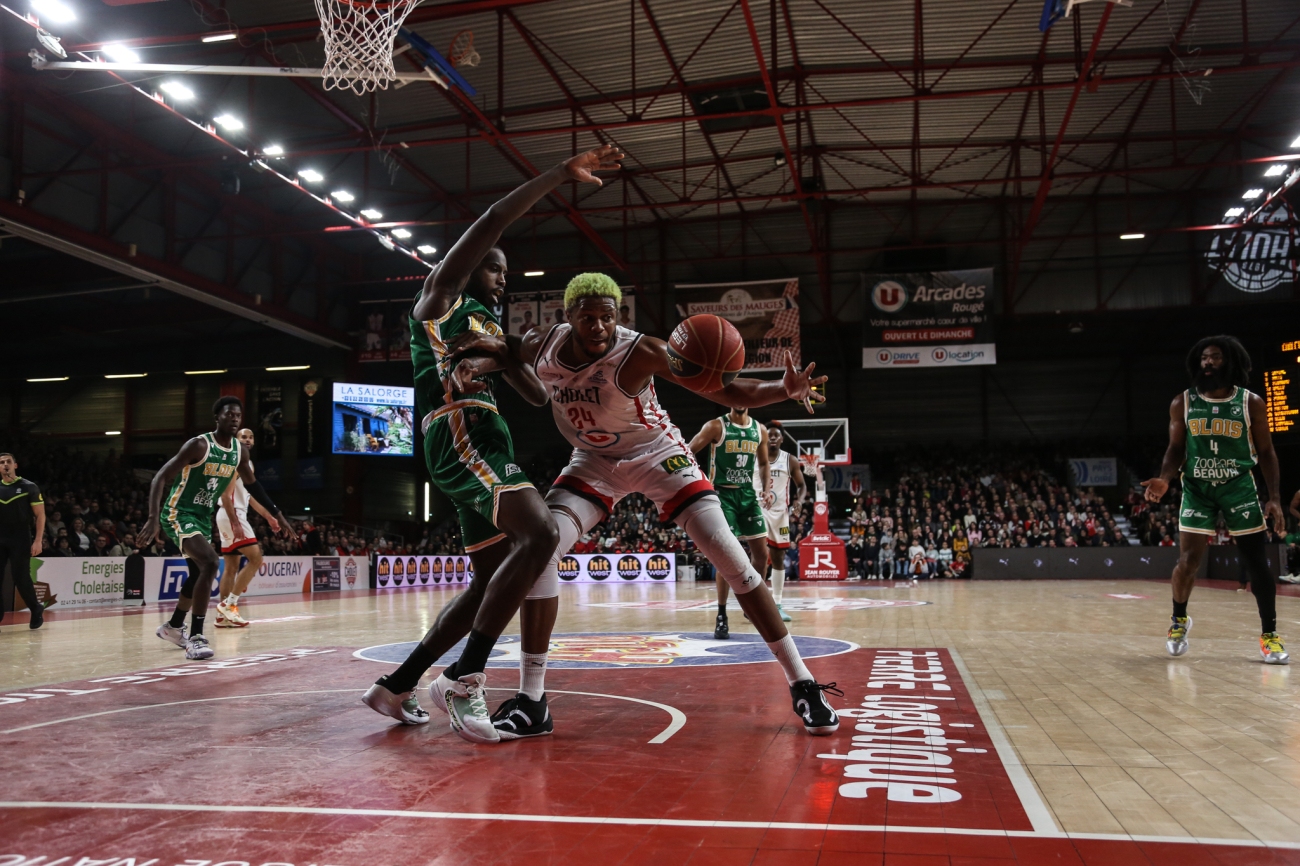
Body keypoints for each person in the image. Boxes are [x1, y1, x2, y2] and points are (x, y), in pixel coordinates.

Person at [447, 272, 841, 740]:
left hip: (657, 454)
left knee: (731, 558)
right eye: (588, 318)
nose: (598, 327)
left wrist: (783, 389)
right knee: (542, 549)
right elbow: (509, 348)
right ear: (567, 317)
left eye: (607, 318)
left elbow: (727, 390)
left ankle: (803, 683)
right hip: (592, 460)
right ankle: (533, 701)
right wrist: (475, 351)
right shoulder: (542, 342)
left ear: (619, 318)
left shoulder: (643, 351)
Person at [361, 145, 623, 743]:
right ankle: (466, 677)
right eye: (495, 268)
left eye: (504, 273)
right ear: (468, 266)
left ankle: (396, 684)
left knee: (487, 580)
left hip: (483, 434)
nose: (502, 277)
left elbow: (534, 397)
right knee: (542, 534)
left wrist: (509, 357)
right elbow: (491, 222)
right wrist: (557, 174)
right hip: (460, 430)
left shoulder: (488, 324)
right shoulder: (440, 300)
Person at [1142, 335, 1288, 664]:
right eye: (1204, 358)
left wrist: (1275, 497)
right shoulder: (1184, 402)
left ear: (1231, 362)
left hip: (1238, 485)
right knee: (1187, 563)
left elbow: (1266, 452)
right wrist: (1165, 479)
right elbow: (1176, 448)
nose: (1208, 363)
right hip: (1197, 487)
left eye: (1216, 358)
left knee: (1257, 565)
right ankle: (1178, 621)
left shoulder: (1250, 402)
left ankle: (1270, 636)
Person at [138, 397, 296, 660]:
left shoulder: (239, 452)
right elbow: (160, 477)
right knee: (211, 563)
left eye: (238, 415)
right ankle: (197, 637)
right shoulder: (199, 445)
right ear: (217, 417)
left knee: (197, 573)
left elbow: (254, 486)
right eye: (229, 414)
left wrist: (277, 513)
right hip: (179, 512)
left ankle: (174, 627)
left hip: (202, 516)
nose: (234, 418)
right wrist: (154, 517)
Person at [690, 408, 771, 639]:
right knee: (725, 557)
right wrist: (697, 479)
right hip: (722, 495)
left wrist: (765, 489)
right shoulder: (716, 426)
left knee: (762, 555)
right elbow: (689, 451)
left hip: (747, 495)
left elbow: (764, 463)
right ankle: (722, 614)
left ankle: (753, 605)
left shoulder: (759, 430)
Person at [214, 428, 280, 628]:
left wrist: (269, 516)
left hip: (227, 514)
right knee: (256, 558)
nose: (248, 439)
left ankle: (223, 615)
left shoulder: (246, 463)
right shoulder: (235, 461)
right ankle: (230, 605)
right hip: (232, 513)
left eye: (251, 437)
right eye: (244, 436)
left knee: (231, 567)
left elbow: (250, 498)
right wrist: (235, 522)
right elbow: (226, 496)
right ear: (236, 439)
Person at [752, 422, 806, 619]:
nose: (773, 438)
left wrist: (799, 501)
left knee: (778, 558)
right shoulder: (754, 458)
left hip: (780, 514)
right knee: (758, 556)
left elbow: (801, 486)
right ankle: (754, 602)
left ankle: (777, 603)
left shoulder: (789, 460)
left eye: (776, 435)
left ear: (782, 439)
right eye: (770, 435)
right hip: (758, 510)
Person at [0, 452, 47, 632]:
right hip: (0, 537)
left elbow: (40, 515)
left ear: (15, 465)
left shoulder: (29, 487)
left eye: (8, 462)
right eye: (2, 462)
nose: (5, 465)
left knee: (21, 577)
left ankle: (36, 609)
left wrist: (38, 540)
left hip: (20, 537)